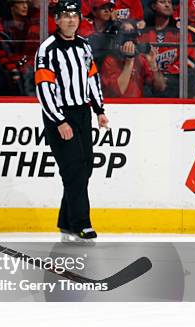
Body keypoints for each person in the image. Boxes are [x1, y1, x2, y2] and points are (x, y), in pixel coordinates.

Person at [34, 0, 109, 242]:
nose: (71, 20)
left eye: (75, 15)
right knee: (73, 168)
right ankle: (81, 223)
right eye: (65, 15)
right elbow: (44, 88)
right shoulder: (47, 49)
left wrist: (99, 109)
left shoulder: (84, 47)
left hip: (82, 113)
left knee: (85, 166)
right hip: (59, 115)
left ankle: (66, 222)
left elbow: (92, 79)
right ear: (56, 19)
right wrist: (59, 120)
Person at [101, 20, 166, 97]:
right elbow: (117, 93)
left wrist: (153, 65)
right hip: (116, 106)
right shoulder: (110, 60)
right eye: (126, 37)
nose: (130, 43)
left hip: (137, 106)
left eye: (132, 37)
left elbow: (160, 87)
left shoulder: (140, 59)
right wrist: (129, 62)